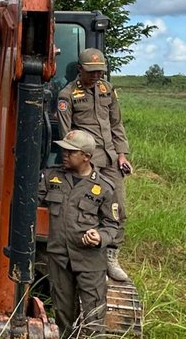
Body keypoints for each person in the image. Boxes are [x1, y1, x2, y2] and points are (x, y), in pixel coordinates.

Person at [41, 129, 123, 339]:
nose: (64, 155)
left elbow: (113, 225)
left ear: (86, 156)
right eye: (63, 150)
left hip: (89, 261)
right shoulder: (52, 177)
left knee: (93, 314)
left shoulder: (104, 187)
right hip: (59, 257)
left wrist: (100, 237)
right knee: (63, 310)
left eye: (71, 152)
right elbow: (30, 199)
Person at [57, 47, 134, 283]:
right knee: (86, 210)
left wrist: (122, 154)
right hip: (87, 160)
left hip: (110, 158)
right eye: (92, 72)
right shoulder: (67, 95)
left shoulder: (106, 89)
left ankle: (111, 255)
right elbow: (67, 135)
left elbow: (116, 124)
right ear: (80, 69)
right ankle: (89, 259)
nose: (96, 76)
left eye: (100, 72)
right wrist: (75, 163)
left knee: (117, 207)